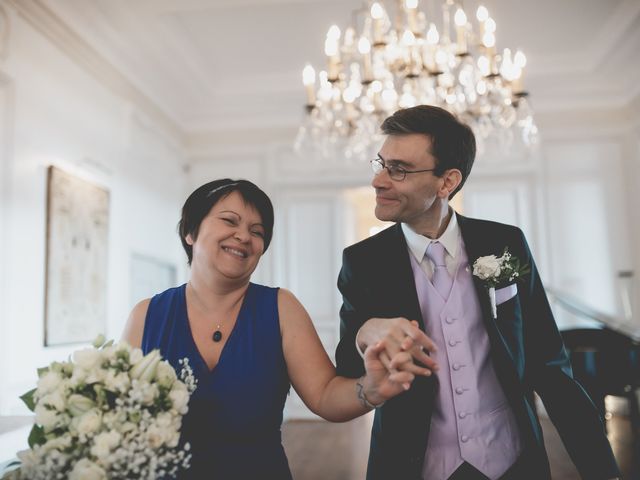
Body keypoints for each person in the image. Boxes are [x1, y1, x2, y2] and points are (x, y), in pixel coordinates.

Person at [335, 105, 621, 480]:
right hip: (412, 465)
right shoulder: (364, 261)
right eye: (381, 163)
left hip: (514, 461)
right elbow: (348, 368)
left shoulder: (505, 243)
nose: (378, 181)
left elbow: (550, 367)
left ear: (446, 182)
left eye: (399, 169)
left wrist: (603, 470)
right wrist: (364, 331)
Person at [122, 179, 420, 479]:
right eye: (229, 221)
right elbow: (118, 414)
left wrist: (370, 388)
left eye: (257, 231)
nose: (243, 236)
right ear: (190, 231)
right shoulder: (146, 316)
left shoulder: (281, 308)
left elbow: (326, 395)